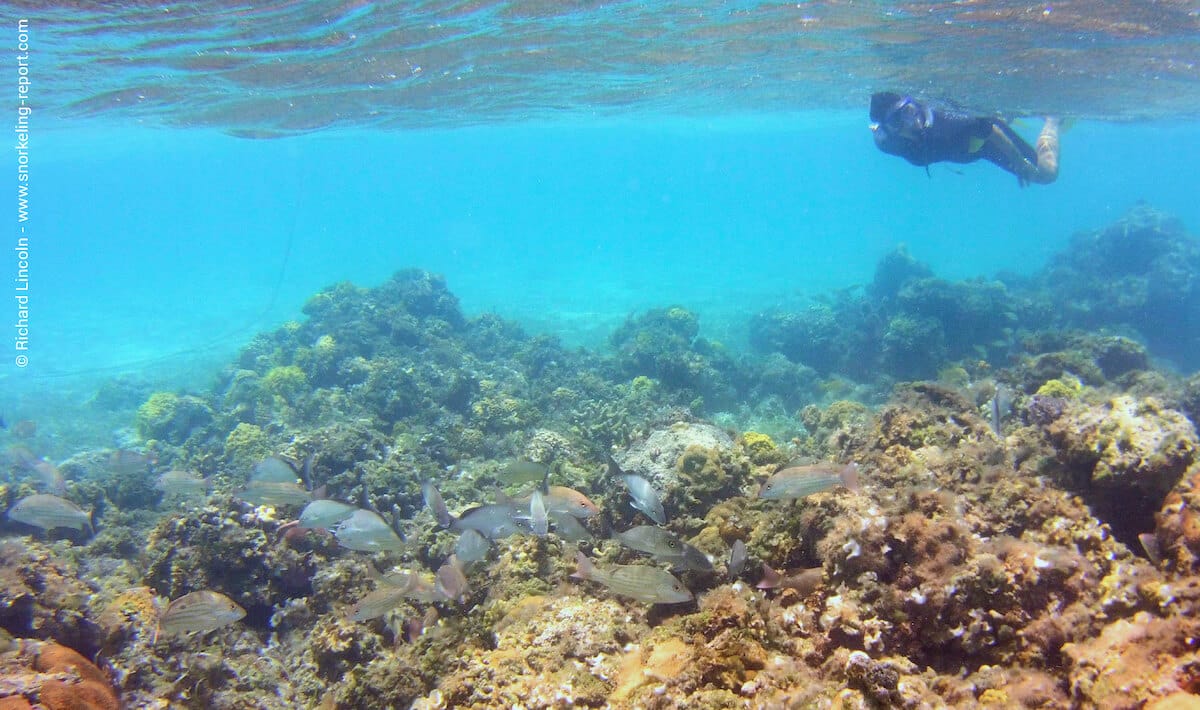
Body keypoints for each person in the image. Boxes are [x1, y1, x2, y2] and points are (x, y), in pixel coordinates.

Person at [869, 92, 1060, 186]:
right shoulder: (888, 143)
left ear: (914, 105)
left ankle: (1052, 120)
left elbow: (990, 131)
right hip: (967, 149)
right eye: (897, 121)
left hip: (988, 141)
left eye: (909, 111)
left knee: (1046, 174)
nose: (913, 122)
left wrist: (1019, 162)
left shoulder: (947, 123)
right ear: (889, 130)